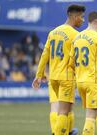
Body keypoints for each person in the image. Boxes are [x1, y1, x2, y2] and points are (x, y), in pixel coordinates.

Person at [32, 4, 86, 135]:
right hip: (66, 77)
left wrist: (39, 75)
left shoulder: (53, 32)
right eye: (81, 17)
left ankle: (68, 131)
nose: (83, 20)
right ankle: (58, 132)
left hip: (54, 77)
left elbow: (45, 55)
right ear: (74, 16)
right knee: (63, 110)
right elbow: (77, 59)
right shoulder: (75, 35)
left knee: (65, 107)